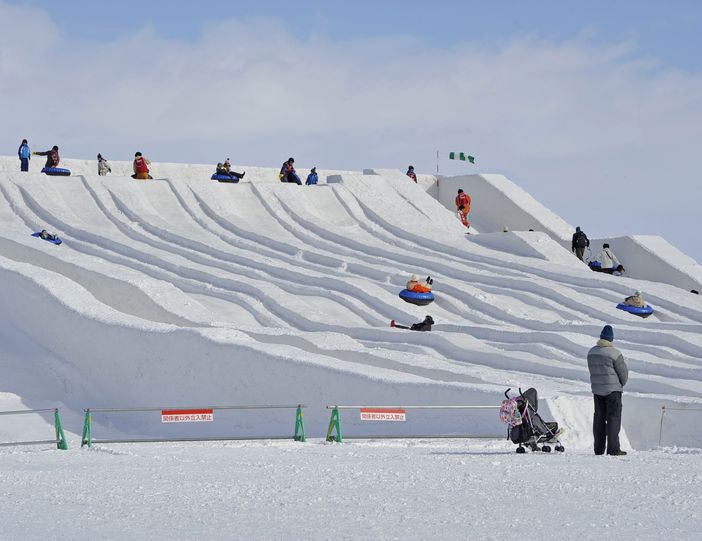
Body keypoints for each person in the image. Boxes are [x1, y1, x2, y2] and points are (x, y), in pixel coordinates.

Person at [587, 324, 628, 456]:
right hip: (613, 391)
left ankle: (598, 449)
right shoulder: (615, 353)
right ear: (611, 339)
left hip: (597, 390)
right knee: (613, 418)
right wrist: (620, 384)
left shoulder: (591, 352)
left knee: (599, 418)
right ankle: (613, 449)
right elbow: (623, 373)